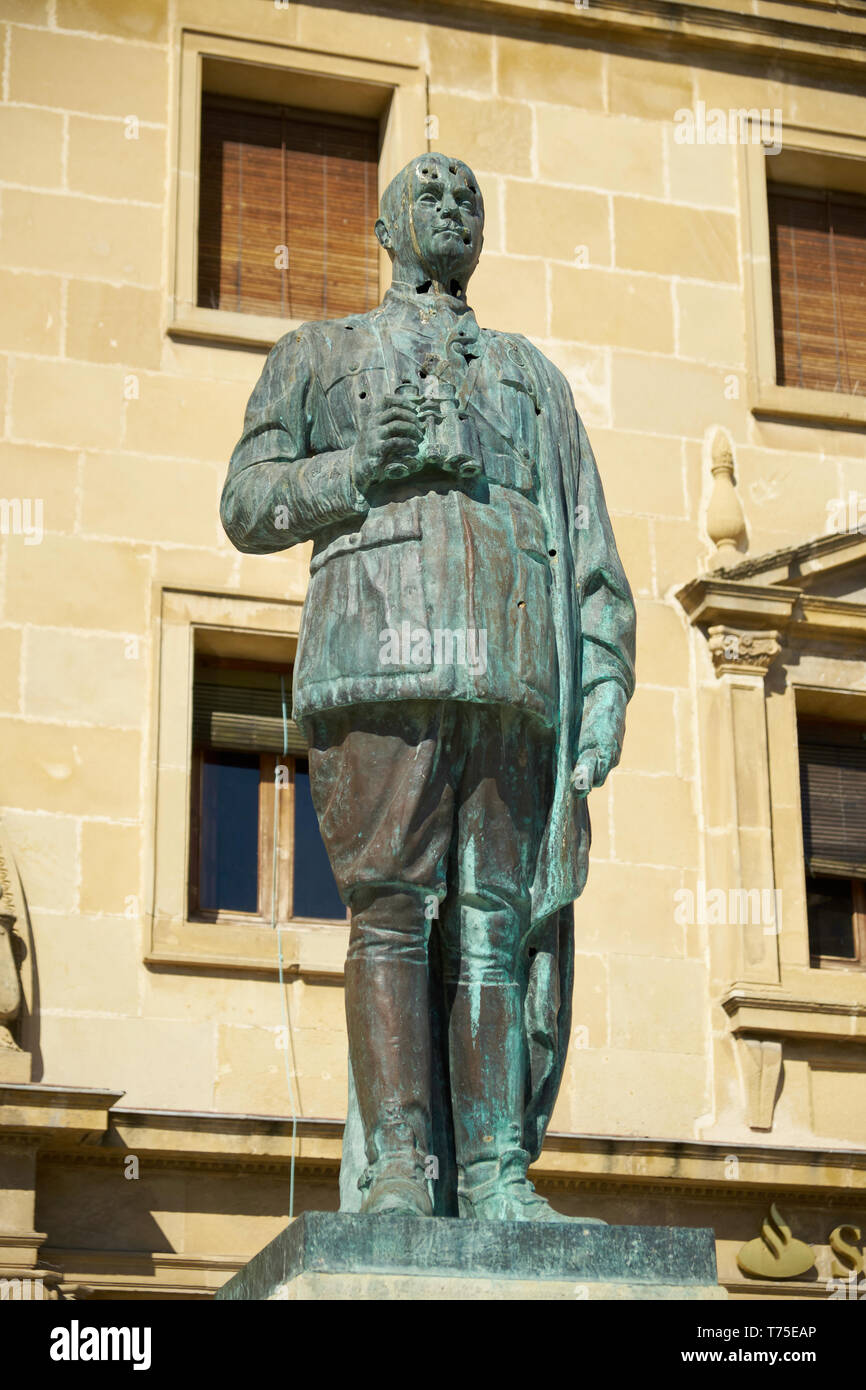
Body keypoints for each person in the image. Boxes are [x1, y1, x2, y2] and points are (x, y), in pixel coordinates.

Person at [221, 152, 636, 1221]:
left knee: (496, 927)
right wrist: (360, 468)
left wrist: (600, 691)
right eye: (432, 194)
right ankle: (401, 1167)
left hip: (508, 685)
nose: (453, 207)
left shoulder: (529, 376)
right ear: (383, 224)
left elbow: (587, 539)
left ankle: (497, 1171)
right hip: (378, 667)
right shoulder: (320, 354)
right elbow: (246, 502)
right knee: (393, 918)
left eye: (470, 197)